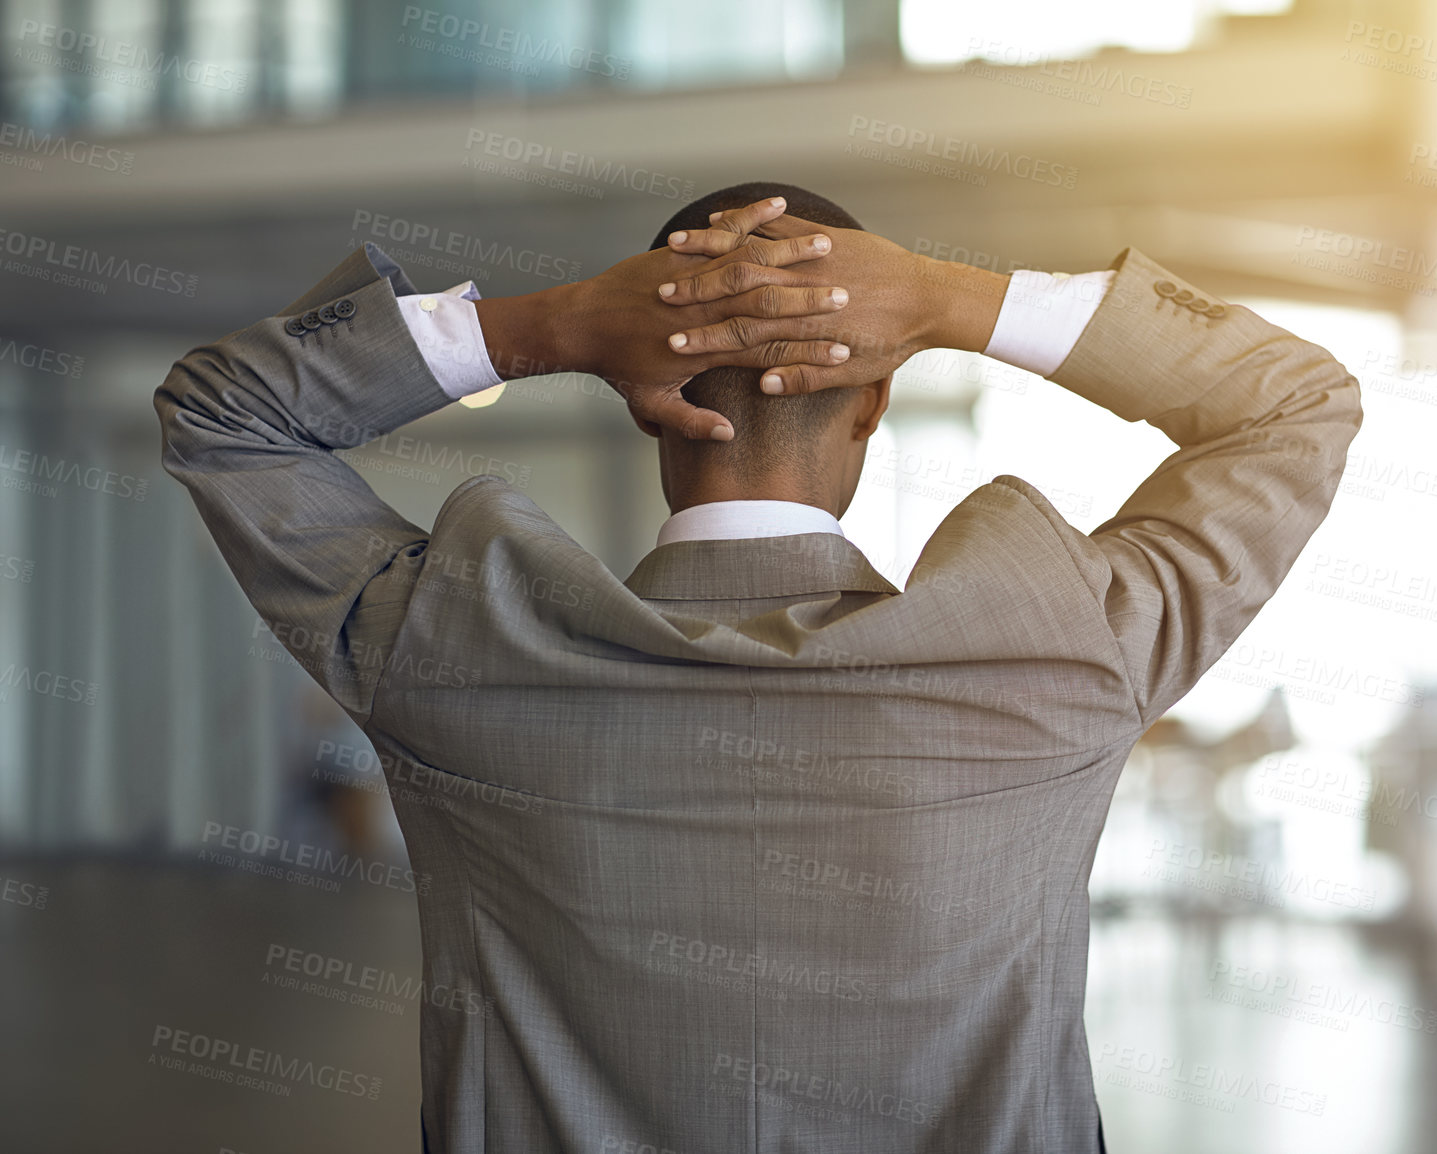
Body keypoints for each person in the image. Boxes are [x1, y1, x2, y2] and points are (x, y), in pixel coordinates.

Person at [154, 183, 1362, 1153]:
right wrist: (956, 297)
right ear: (877, 403)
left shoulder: (452, 641)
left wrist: (553, 325)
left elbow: (222, 411)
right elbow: (1295, 404)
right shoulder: (1063, 646)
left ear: (650, 402)